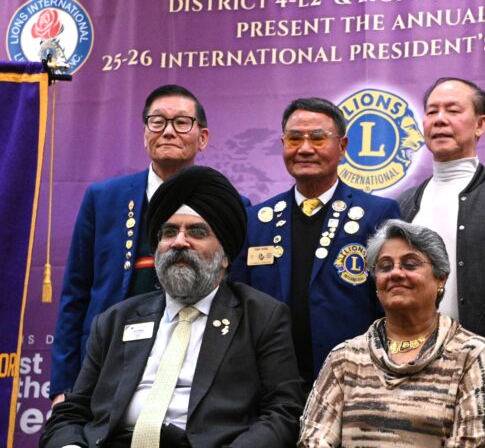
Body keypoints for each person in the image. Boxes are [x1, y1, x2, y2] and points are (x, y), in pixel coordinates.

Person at [41, 166, 304, 448]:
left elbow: (283, 412)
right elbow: (71, 412)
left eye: (197, 232)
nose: (179, 242)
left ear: (225, 255)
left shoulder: (261, 317)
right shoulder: (115, 320)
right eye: (169, 232)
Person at [50, 85, 251, 403]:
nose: (168, 131)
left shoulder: (232, 205)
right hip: (108, 361)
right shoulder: (103, 199)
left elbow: (236, 292)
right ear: (145, 133)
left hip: (195, 363)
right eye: (157, 121)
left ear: (202, 137)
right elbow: (75, 295)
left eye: (181, 122)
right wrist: (62, 387)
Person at [232, 97, 400, 391]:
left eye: (318, 138)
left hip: (355, 379)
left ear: (342, 146)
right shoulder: (255, 220)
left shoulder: (377, 214)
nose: (305, 148)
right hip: (270, 383)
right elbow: (238, 304)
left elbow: (392, 305)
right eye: (294, 138)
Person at [299, 219, 485, 447]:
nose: (396, 273)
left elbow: (475, 441)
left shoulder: (472, 354)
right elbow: (313, 438)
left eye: (410, 264)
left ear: (441, 277)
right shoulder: (345, 358)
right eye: (385, 266)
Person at [398, 77, 485, 341]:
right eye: (432, 111)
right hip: (408, 354)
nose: (440, 119)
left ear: (480, 124)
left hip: (484, 356)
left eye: (453, 110)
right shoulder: (404, 203)